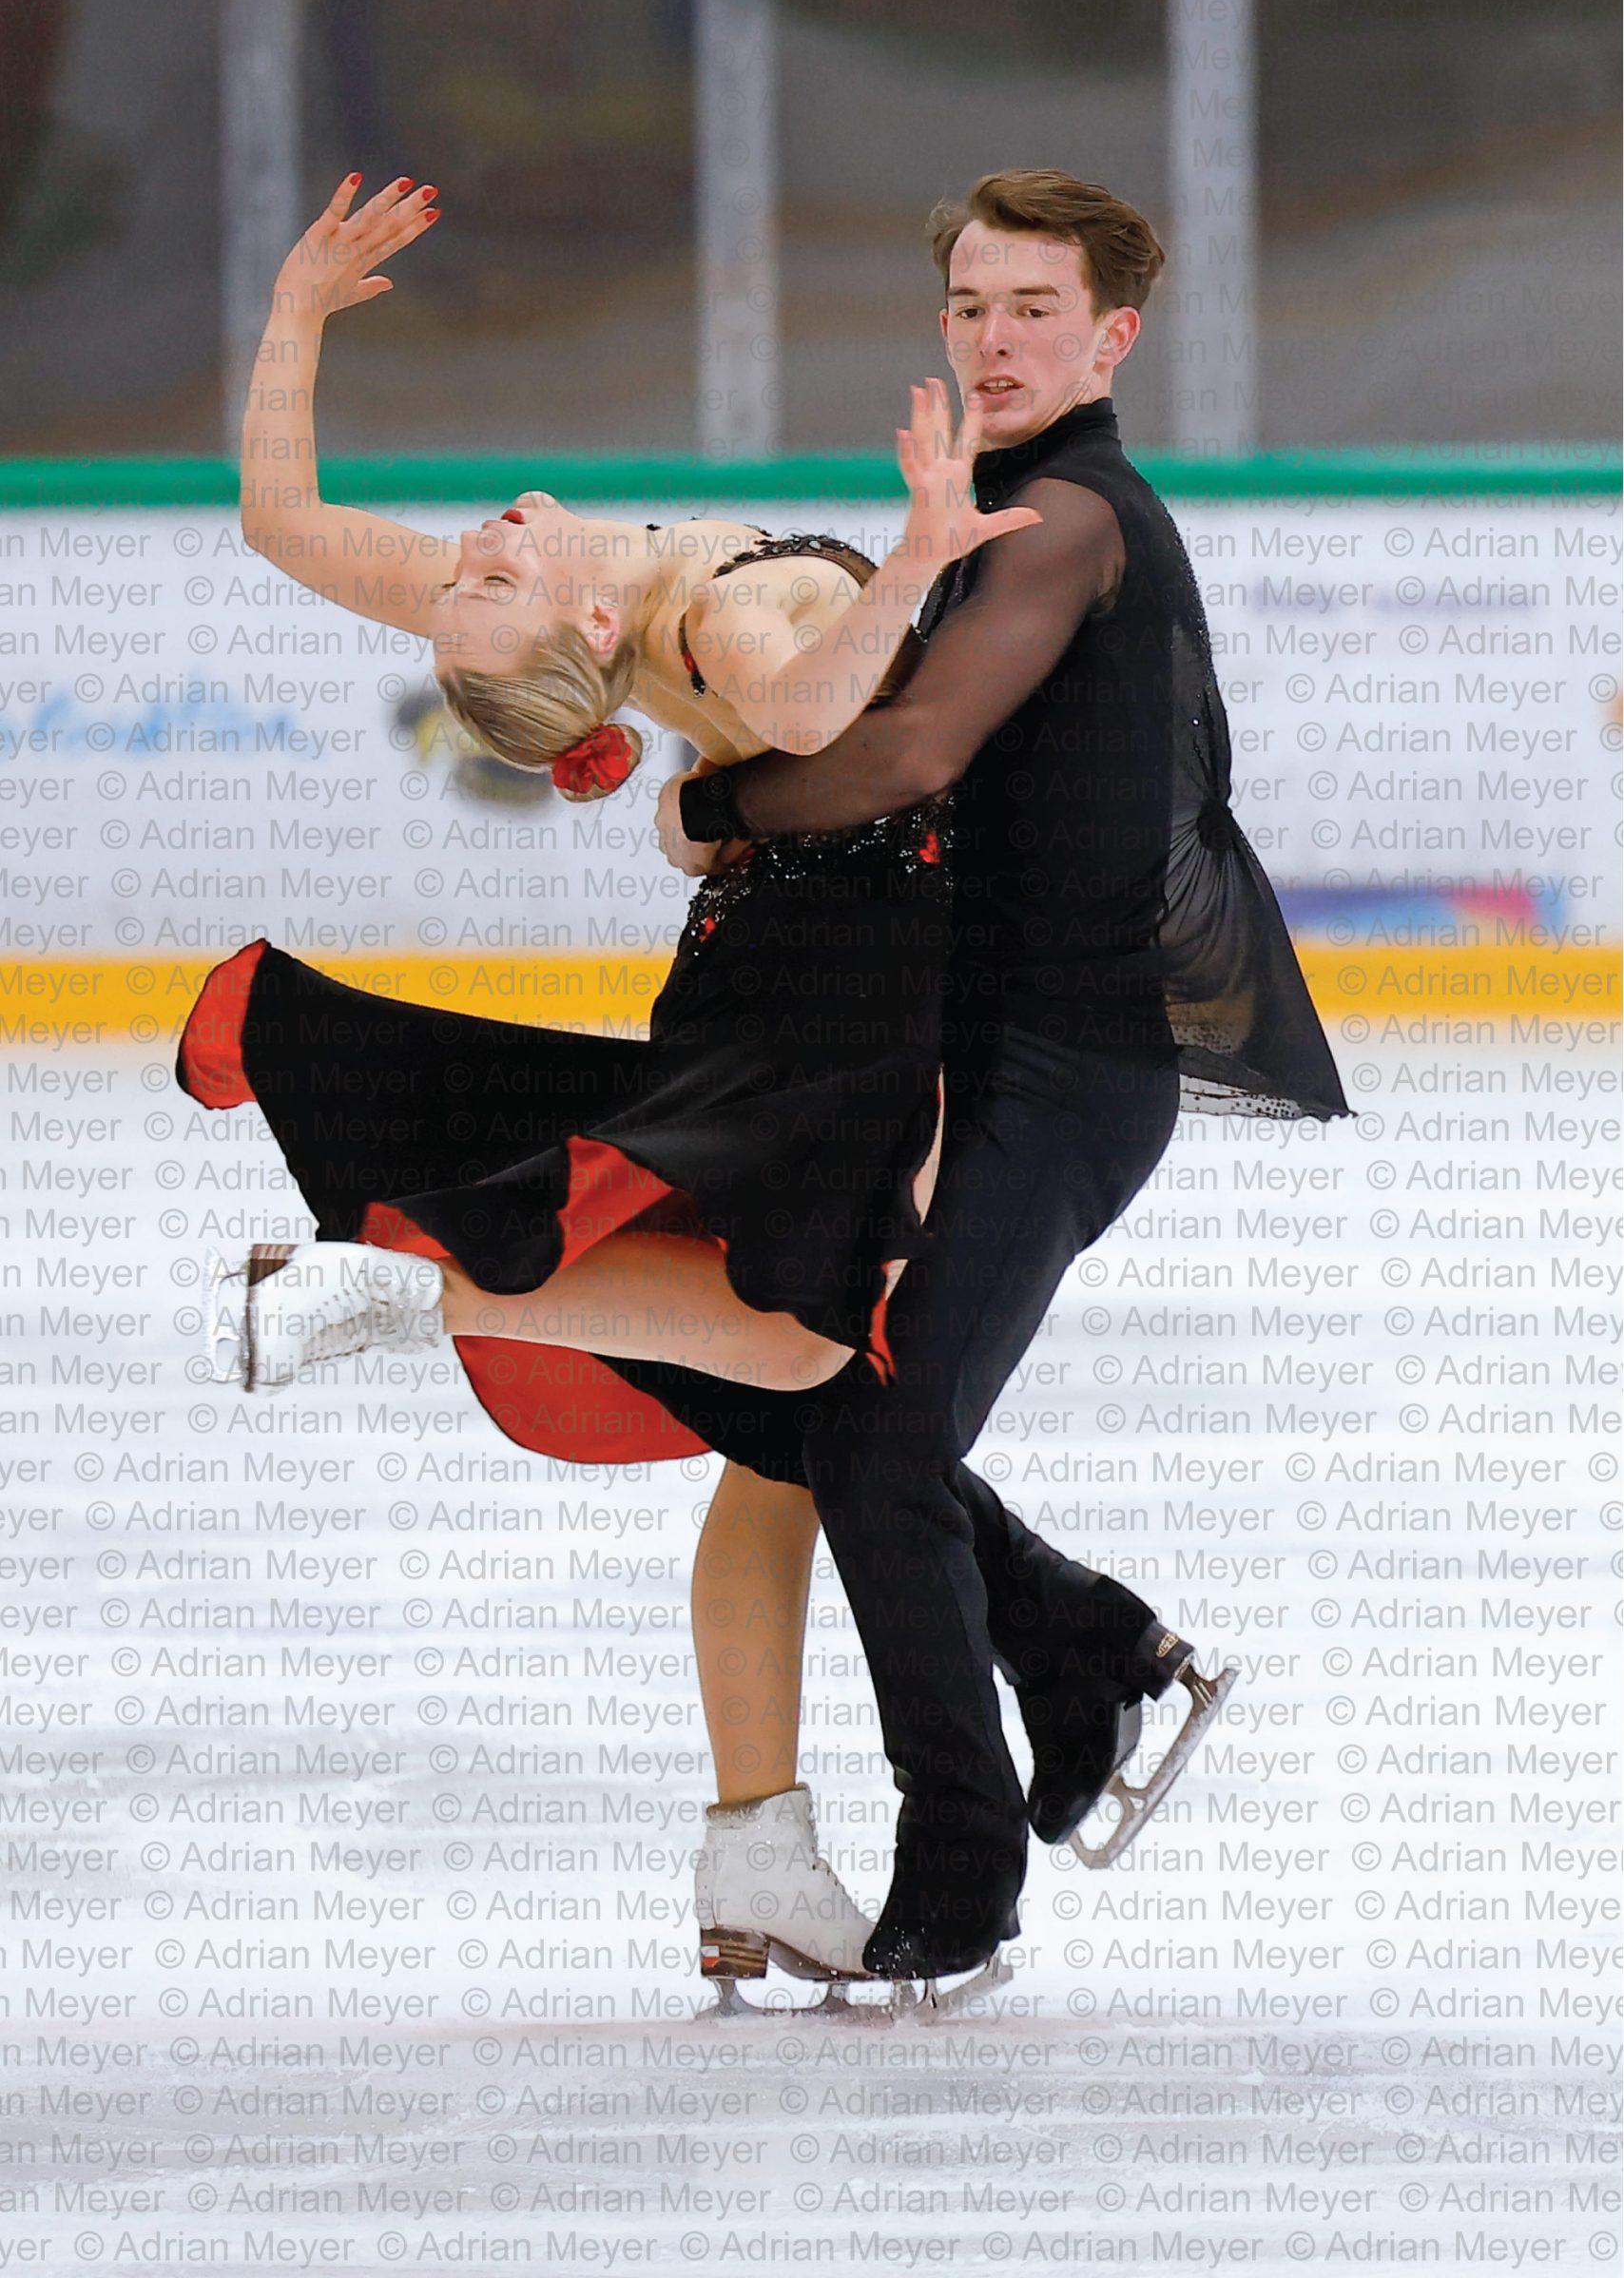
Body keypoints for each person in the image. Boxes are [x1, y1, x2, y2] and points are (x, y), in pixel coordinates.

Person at [178, 171, 1039, 1995]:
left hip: (758, 968)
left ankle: (756, 1854)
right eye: (488, 580)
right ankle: (428, 1279)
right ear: (579, 654)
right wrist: (917, 548)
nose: (477, 546)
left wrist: (301, 313)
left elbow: (277, 520)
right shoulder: (720, 613)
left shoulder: (579, 597)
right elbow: (810, 717)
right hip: (850, 980)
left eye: (473, 574)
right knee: (806, 1358)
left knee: (785, 1431)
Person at [654, 168, 1352, 1983]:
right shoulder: (979, 516)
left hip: (1066, 1069)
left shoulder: (1068, 520)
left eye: (1034, 308)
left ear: (1113, 336)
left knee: (876, 1437)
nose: (995, 336)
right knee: (795, 1397)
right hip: (954, 1055)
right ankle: (1087, 1642)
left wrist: (706, 810)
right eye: (970, 304)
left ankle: (960, 1875)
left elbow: (901, 755)